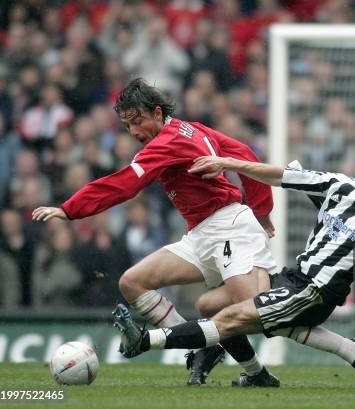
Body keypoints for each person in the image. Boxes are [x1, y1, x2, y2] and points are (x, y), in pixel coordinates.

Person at [112, 143, 355, 389]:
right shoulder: (340, 187)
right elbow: (279, 176)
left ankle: (143, 341)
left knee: (231, 319)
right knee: (210, 304)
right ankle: (351, 351)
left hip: (314, 293)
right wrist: (228, 163)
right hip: (292, 276)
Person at [32, 78, 279, 387]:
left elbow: (125, 183)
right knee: (133, 282)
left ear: (157, 113)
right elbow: (243, 152)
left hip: (227, 227)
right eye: (127, 126)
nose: (134, 132)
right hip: (201, 233)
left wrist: (70, 208)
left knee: (256, 310)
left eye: (138, 122)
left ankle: (332, 328)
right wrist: (262, 209)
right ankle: (221, 356)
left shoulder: (167, 142)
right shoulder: (192, 128)